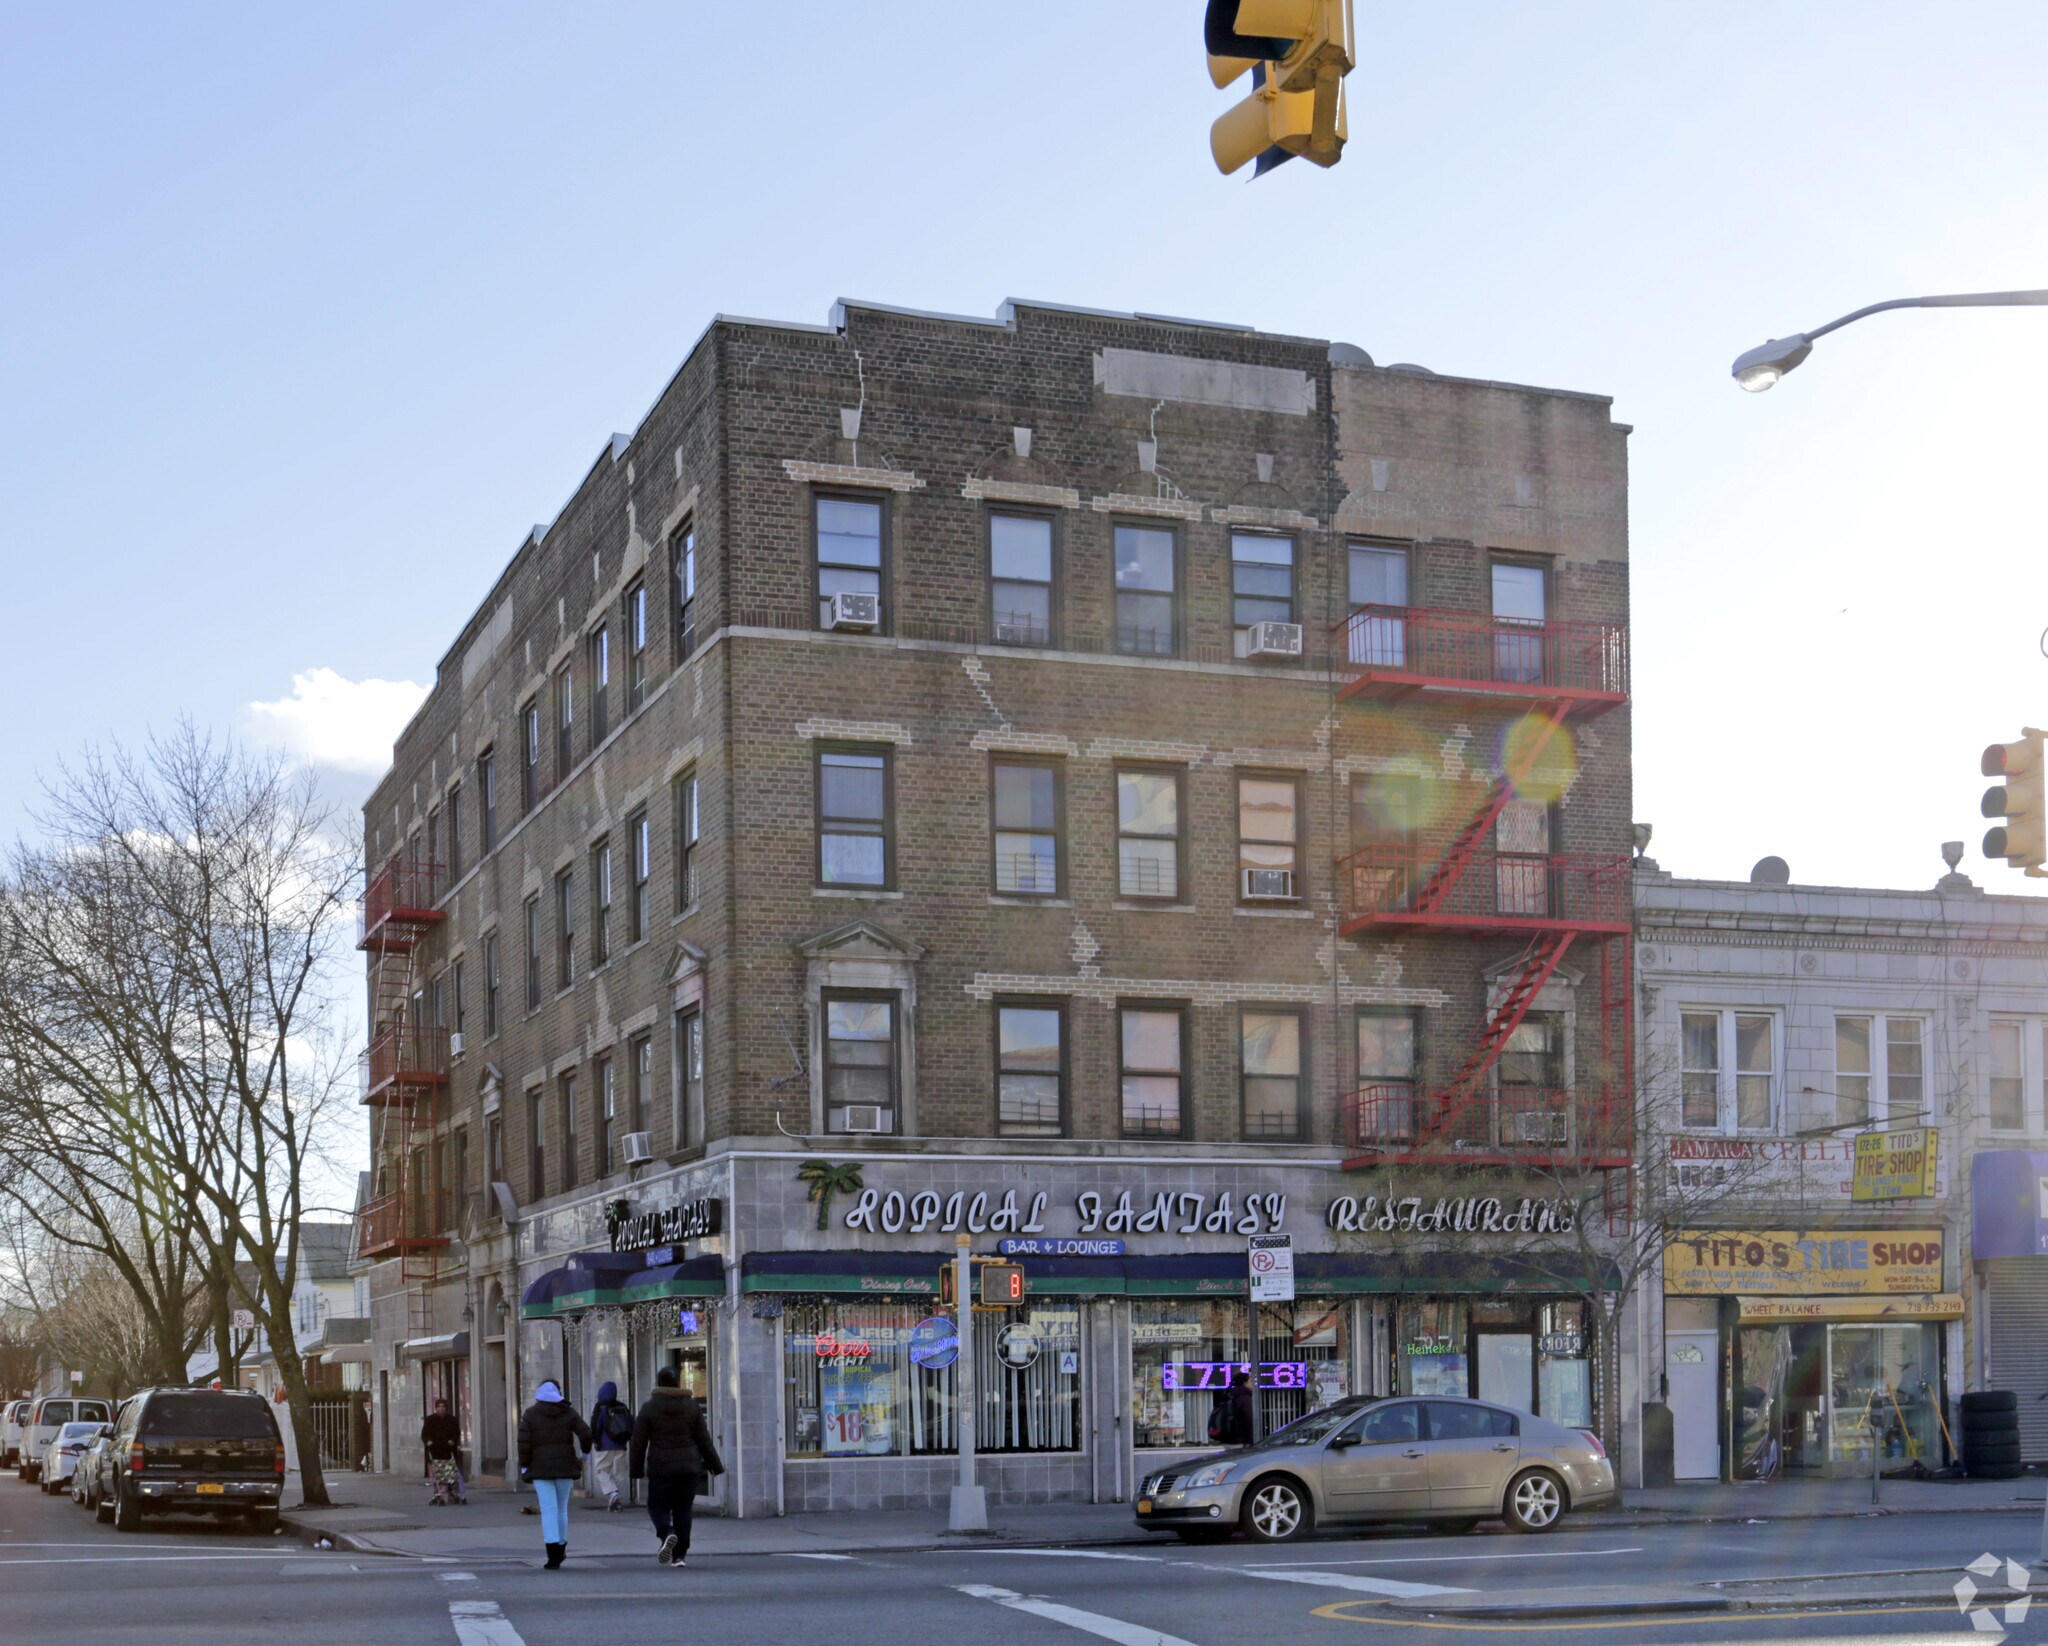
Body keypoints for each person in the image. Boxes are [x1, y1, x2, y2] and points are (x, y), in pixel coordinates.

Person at [629, 1366, 724, 1569]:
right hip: (689, 1467)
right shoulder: (691, 1407)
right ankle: (679, 1556)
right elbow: (703, 1439)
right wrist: (715, 1466)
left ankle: (666, 1533)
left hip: (660, 1467)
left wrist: (636, 1470)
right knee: (683, 1510)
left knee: (657, 1506)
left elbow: (638, 1442)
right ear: (677, 1382)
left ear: (658, 1383)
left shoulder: (649, 1408)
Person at [517, 1379, 591, 1569]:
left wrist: (525, 1466)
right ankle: (562, 1546)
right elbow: (586, 1433)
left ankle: (553, 1555)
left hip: (540, 1468)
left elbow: (524, 1444)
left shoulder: (531, 1414)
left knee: (548, 1510)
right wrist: (584, 1456)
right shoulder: (568, 1411)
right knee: (561, 1509)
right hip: (565, 1466)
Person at [588, 1379, 633, 1509]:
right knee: (619, 1472)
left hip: (605, 1445)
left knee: (601, 1469)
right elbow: (630, 1423)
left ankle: (613, 1493)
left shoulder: (600, 1407)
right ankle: (616, 1499)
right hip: (621, 1444)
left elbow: (596, 1426)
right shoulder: (622, 1407)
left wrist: (595, 1441)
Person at [420, 1397, 465, 1505]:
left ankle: (452, 1491)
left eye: (443, 1407)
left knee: (450, 1473)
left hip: (448, 1451)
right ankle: (438, 1493)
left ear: (446, 1408)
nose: (441, 1409)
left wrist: (453, 1441)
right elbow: (424, 1434)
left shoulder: (452, 1420)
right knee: (437, 1474)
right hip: (434, 1450)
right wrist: (428, 1441)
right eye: (439, 1407)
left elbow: (457, 1433)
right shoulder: (430, 1420)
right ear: (436, 1408)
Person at [1210, 1370, 1256, 1446]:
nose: (1252, 1384)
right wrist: (1252, 1440)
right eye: (1250, 1381)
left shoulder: (1230, 1395)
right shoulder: (1244, 1398)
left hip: (1227, 1439)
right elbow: (1248, 1419)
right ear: (1245, 1382)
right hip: (1240, 1441)